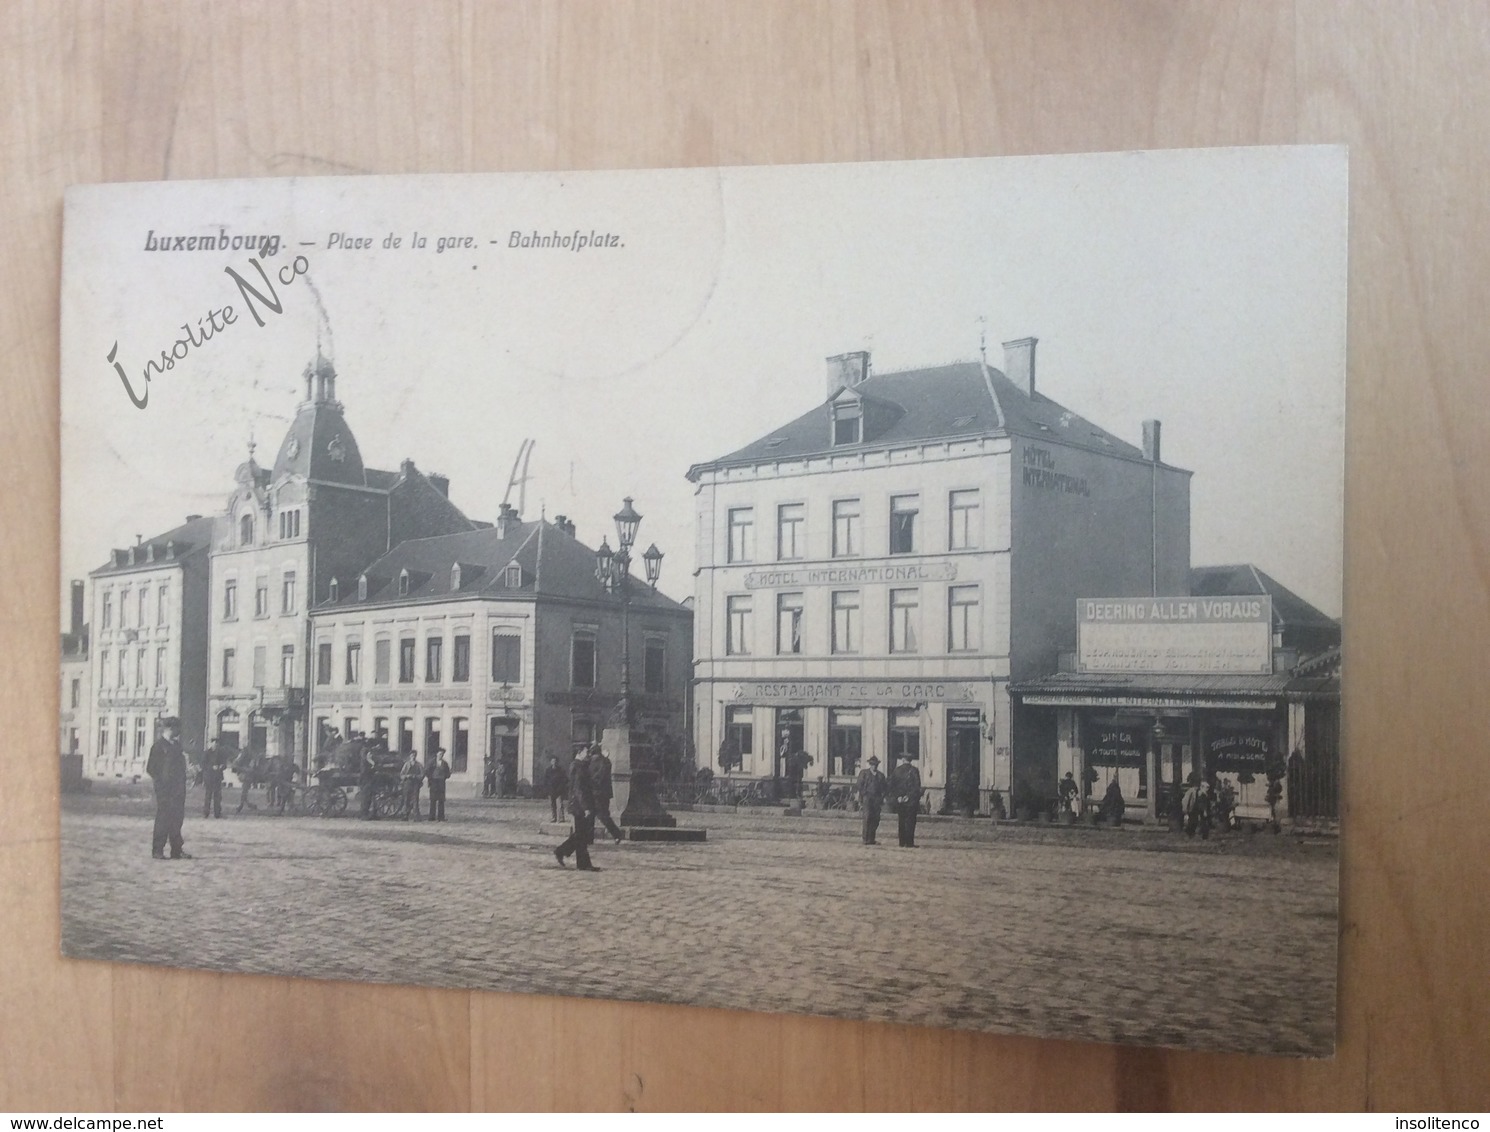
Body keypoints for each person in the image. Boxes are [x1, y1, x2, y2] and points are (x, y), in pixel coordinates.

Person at [146, 717, 190, 859]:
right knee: (163, 819)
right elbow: (151, 768)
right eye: (177, 729)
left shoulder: (176, 746)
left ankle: (176, 850)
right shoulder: (158, 747)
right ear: (170, 729)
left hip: (178, 789)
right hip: (165, 790)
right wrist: (162, 784)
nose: (179, 732)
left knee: (177, 819)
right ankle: (157, 850)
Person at [554, 745, 600, 871]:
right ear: (579, 752)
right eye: (586, 752)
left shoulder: (580, 765)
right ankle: (561, 851)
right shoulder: (577, 766)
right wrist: (586, 807)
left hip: (580, 805)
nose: (588, 754)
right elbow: (579, 789)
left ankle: (583, 864)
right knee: (581, 835)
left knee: (581, 835)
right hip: (579, 806)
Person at [590, 744, 624, 844]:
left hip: (600, 793)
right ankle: (589, 837)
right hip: (595, 792)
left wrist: (590, 782)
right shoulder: (597, 761)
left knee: (603, 816)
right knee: (592, 816)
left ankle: (617, 834)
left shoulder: (603, 762)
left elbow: (599, 776)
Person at [888, 754, 923, 848]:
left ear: (903, 760)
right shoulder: (914, 770)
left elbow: (891, 785)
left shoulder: (896, 770)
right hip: (910, 800)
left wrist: (898, 796)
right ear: (910, 760)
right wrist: (909, 796)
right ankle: (909, 843)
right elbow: (917, 786)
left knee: (901, 820)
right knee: (910, 821)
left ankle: (901, 842)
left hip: (900, 800)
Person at [855, 755, 887, 844]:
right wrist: (863, 794)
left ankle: (872, 838)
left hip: (877, 799)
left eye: (876, 764)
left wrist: (882, 797)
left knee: (876, 818)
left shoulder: (881, 776)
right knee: (867, 817)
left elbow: (884, 788)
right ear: (870, 764)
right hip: (867, 798)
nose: (874, 766)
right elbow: (859, 785)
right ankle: (865, 838)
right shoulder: (864, 773)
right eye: (872, 764)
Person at [200, 739, 226, 819]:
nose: (215, 745)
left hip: (217, 776)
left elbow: (224, 764)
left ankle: (217, 813)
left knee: (217, 795)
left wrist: (221, 766)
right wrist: (211, 767)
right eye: (214, 743)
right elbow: (203, 764)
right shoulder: (206, 753)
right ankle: (206, 812)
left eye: (216, 744)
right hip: (209, 776)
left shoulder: (220, 753)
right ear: (211, 744)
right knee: (208, 794)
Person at [427, 747, 451, 821]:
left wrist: (445, 776)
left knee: (441, 800)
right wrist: (430, 778)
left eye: (442, 754)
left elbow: (448, 773)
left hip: (441, 783)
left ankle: (441, 817)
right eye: (440, 754)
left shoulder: (444, 763)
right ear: (437, 754)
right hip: (434, 782)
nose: (441, 755)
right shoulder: (432, 762)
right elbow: (427, 771)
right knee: (433, 800)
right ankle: (432, 817)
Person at [400, 749, 424, 820]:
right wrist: (406, 776)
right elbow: (401, 774)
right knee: (406, 799)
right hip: (407, 783)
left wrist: (415, 776)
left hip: (415, 784)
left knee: (415, 800)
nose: (413, 756)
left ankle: (416, 816)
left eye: (414, 755)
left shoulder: (419, 765)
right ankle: (405, 815)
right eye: (412, 755)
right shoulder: (406, 764)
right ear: (409, 756)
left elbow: (422, 774)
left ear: (416, 756)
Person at [542, 755, 568, 822]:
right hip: (551, 791)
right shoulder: (548, 770)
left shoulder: (561, 770)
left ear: (557, 762)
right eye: (553, 761)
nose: (554, 762)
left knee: (559, 805)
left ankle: (561, 818)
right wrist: (547, 790)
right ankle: (554, 818)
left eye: (555, 761)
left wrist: (561, 788)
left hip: (559, 791)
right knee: (552, 805)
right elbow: (545, 781)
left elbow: (564, 780)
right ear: (551, 762)